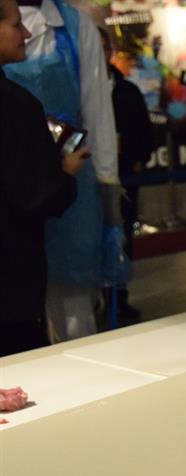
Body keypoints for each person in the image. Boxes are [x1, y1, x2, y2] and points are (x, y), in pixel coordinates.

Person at [4, 0, 120, 342]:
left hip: (71, 181)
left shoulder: (75, 25)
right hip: (17, 180)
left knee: (73, 305)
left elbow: (97, 108)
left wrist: (107, 182)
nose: (23, 34)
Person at [0, 0, 85, 356]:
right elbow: (36, 194)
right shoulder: (16, 106)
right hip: (10, 289)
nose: (27, 33)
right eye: (16, 25)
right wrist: (63, 173)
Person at [99, 26, 153, 322]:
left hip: (124, 176)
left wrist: (137, 160)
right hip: (90, 175)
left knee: (121, 235)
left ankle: (119, 296)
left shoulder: (127, 90)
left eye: (106, 49)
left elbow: (143, 129)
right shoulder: (82, 87)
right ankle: (99, 298)